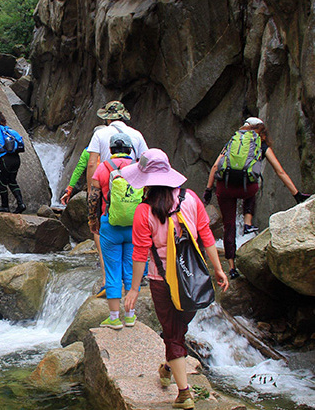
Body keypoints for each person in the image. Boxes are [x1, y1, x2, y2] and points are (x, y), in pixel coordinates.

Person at [123, 148, 229, 410]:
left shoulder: (143, 212)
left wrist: (135, 289)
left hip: (162, 282)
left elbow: (139, 254)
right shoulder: (190, 198)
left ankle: (184, 394)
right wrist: (217, 269)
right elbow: (206, 237)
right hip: (194, 279)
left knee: (173, 334)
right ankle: (171, 366)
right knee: (177, 331)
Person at [203, 117, 311, 279]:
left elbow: (215, 166)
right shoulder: (262, 145)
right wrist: (296, 194)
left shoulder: (232, 143)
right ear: (262, 131)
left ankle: (232, 269)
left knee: (229, 226)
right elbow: (279, 171)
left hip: (224, 188)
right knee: (253, 184)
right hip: (247, 190)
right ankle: (248, 223)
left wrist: (208, 189)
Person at [88, 133, 143, 329]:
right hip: (135, 227)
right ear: (130, 150)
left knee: (112, 272)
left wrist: (93, 221)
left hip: (110, 225)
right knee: (130, 270)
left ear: (110, 150)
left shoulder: (103, 167)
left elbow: (93, 198)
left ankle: (114, 318)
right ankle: (130, 316)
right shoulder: (139, 168)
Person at [61, 143, 107, 295]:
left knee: (96, 227)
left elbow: (80, 169)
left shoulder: (89, 151)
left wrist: (70, 188)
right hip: (114, 194)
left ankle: (103, 262)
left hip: (95, 193)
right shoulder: (116, 151)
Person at [86, 101, 149, 193]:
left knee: (107, 205)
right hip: (130, 182)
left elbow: (92, 163)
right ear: (124, 116)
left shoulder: (99, 134)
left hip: (107, 180)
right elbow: (145, 160)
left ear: (107, 118)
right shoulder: (136, 134)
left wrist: (90, 190)